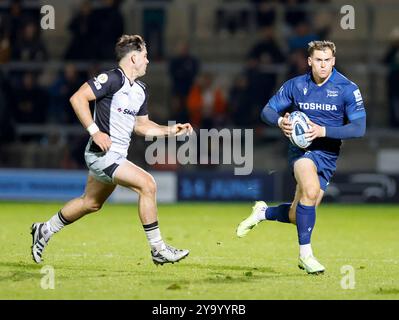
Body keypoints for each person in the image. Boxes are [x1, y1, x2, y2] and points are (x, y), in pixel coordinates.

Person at [31, 34, 193, 266]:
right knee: (148, 185)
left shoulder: (140, 90)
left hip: (116, 156)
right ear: (134, 58)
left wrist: (170, 131)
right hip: (102, 154)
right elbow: (77, 98)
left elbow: (142, 125)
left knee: (91, 203)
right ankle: (158, 249)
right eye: (145, 56)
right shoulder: (112, 79)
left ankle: (44, 230)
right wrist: (94, 131)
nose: (148, 61)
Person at [236, 41, 366, 274]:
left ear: (333, 61)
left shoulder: (347, 88)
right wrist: (280, 122)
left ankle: (263, 212)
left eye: (327, 60)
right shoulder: (296, 85)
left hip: (328, 154)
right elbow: (267, 110)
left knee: (300, 214)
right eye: (318, 60)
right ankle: (305, 255)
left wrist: (322, 131)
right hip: (302, 152)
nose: (323, 65)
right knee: (311, 190)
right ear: (309, 61)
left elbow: (359, 127)